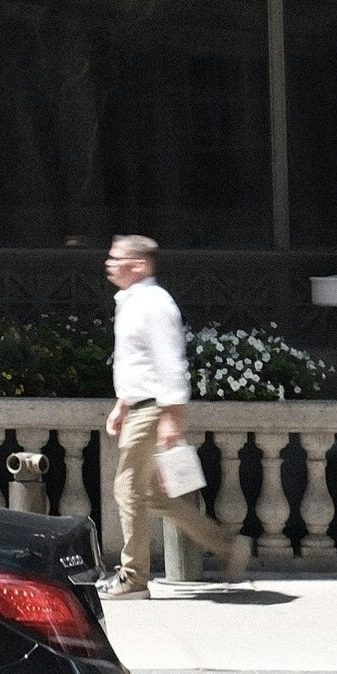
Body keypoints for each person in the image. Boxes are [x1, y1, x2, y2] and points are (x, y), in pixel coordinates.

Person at [102, 232, 255, 597]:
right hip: (143, 405)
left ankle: (133, 577)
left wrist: (171, 416)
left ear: (138, 265)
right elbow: (137, 361)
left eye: (116, 258)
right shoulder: (132, 301)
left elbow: (170, 362)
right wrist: (122, 403)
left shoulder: (154, 303)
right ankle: (228, 546)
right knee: (152, 495)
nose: (109, 263)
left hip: (154, 408)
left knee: (127, 489)